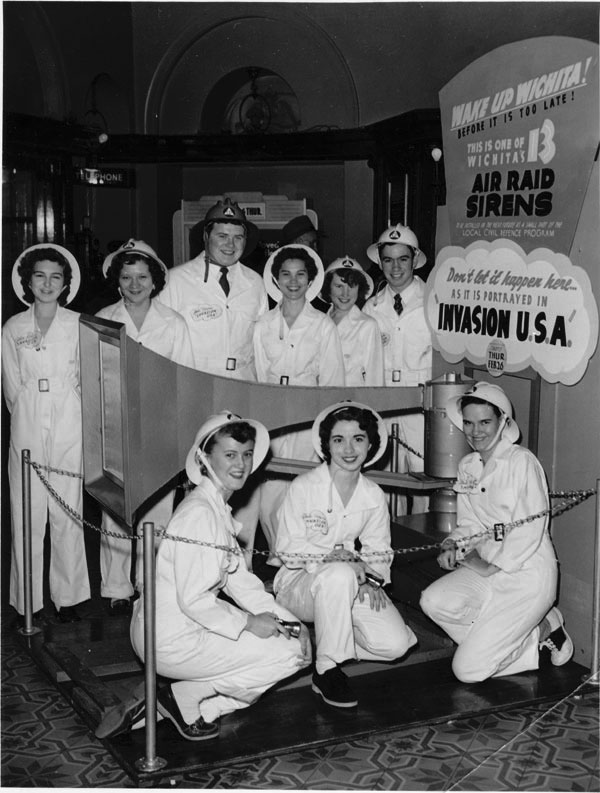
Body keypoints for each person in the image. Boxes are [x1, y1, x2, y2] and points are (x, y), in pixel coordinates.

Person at [96, 412, 311, 741]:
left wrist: (291, 622)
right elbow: (194, 600)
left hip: (174, 630)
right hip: (169, 639)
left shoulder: (216, 508)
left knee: (294, 643)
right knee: (289, 655)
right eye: (229, 455)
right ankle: (185, 700)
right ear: (203, 458)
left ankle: (178, 706)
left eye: (246, 454)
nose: (240, 464)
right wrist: (250, 623)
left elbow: (242, 584)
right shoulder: (200, 515)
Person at [420, 382, 574, 683]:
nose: (475, 431)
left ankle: (541, 633)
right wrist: (452, 543)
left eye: (485, 422)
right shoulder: (467, 465)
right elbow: (470, 524)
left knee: (467, 671)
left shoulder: (522, 462)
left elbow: (531, 527)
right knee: (433, 600)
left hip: (526, 572)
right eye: (468, 422)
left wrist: (493, 565)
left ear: (503, 421)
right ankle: (526, 633)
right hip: (487, 568)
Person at [274, 402, 418, 708]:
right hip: (298, 585)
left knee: (396, 644)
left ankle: (327, 643)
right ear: (326, 444)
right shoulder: (304, 487)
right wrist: (342, 558)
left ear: (371, 444)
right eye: (339, 440)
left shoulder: (373, 494)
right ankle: (327, 670)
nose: (349, 449)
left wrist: (372, 581)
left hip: (351, 580)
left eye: (358, 439)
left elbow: (379, 548)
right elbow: (288, 550)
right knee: (338, 574)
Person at [96, 239, 194, 613]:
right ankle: (117, 588)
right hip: (116, 427)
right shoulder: (103, 320)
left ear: (155, 281)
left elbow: (185, 381)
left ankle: (149, 584)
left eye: (142, 277)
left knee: (157, 511)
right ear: (117, 282)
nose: (135, 284)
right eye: (127, 277)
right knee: (116, 509)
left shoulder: (174, 323)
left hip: (160, 428)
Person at [2, 244, 90, 622]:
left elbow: (87, 377)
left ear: (66, 283)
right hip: (27, 416)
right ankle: (27, 599)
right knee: (27, 507)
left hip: (69, 413)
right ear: (27, 281)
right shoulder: (13, 327)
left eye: (56, 276)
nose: (47, 283)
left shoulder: (78, 324)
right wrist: (26, 414)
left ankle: (67, 597)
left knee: (67, 508)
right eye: (40, 275)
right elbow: (10, 383)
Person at [252, 245, 345, 555]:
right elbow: (259, 373)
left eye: (300, 274)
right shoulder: (263, 325)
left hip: (309, 414)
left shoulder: (322, 325)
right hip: (272, 413)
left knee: (306, 494)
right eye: (286, 274)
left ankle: (306, 560)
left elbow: (333, 381)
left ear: (311, 280)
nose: (293, 282)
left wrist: (328, 427)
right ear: (275, 280)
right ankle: (282, 562)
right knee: (270, 498)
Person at [363, 224, 432, 515]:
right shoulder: (371, 307)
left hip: (422, 406)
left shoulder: (435, 301)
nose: (395, 267)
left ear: (415, 260)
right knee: (387, 486)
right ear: (380, 262)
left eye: (402, 259)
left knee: (424, 480)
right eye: (388, 259)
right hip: (385, 405)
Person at [159, 198, 267, 380]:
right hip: (197, 386)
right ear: (206, 237)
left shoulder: (255, 282)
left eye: (238, 238)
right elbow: (160, 345)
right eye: (222, 236)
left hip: (244, 385)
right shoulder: (174, 281)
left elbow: (262, 344)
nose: (230, 245)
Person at [320, 256, 384, 386]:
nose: (345, 293)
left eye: (352, 286)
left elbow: (375, 377)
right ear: (328, 288)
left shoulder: (367, 325)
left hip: (352, 401)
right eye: (339, 286)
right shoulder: (318, 323)